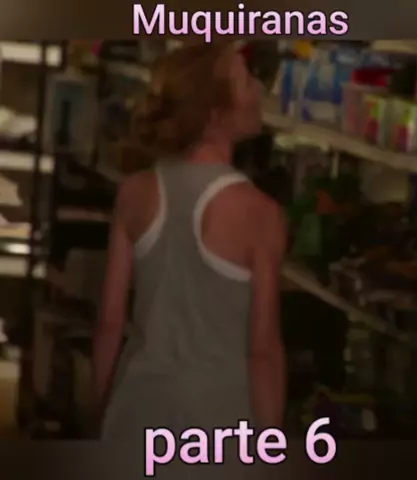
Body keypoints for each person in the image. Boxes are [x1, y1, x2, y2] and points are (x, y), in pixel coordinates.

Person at [92, 42, 287, 474]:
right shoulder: (259, 213)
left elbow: (109, 323)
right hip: (217, 424)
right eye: (246, 83)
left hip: (138, 408)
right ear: (214, 114)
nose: (258, 91)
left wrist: (100, 415)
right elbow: (263, 352)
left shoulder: (135, 192)